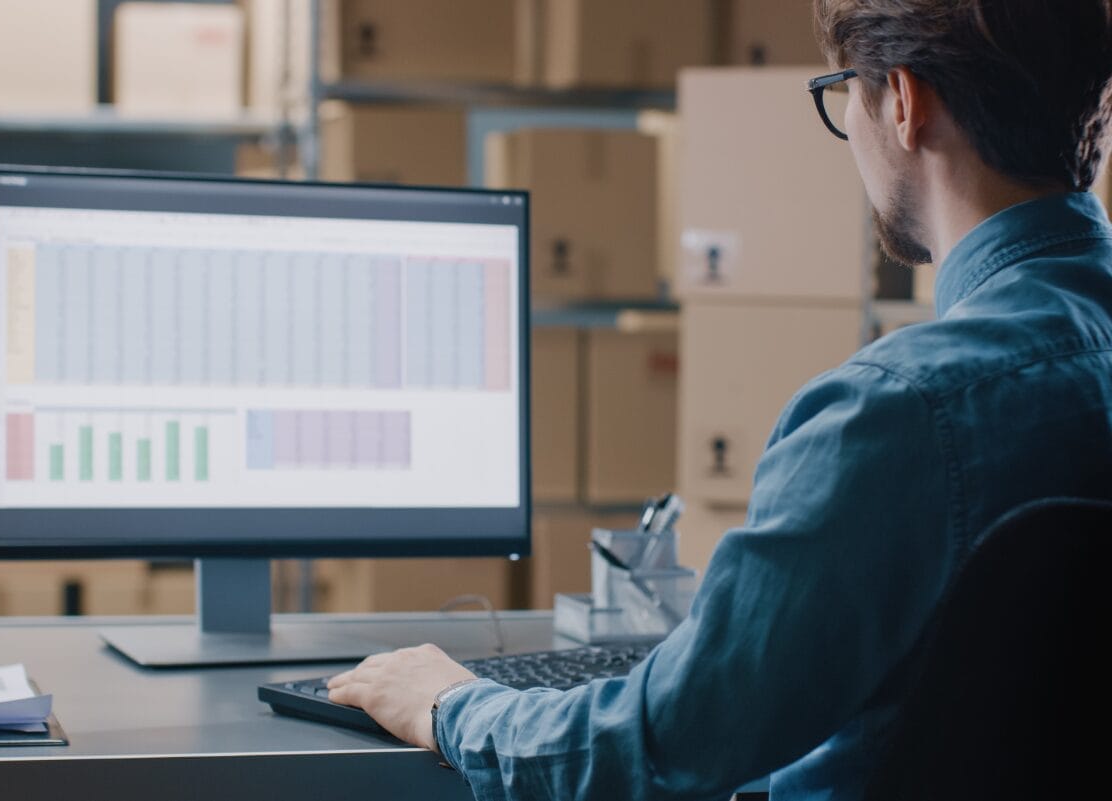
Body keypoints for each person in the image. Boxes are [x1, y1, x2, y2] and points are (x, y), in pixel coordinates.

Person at [327, 1, 1112, 798]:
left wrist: (453, 704)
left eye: (847, 93)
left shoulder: (899, 413)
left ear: (904, 103)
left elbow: (662, 746)